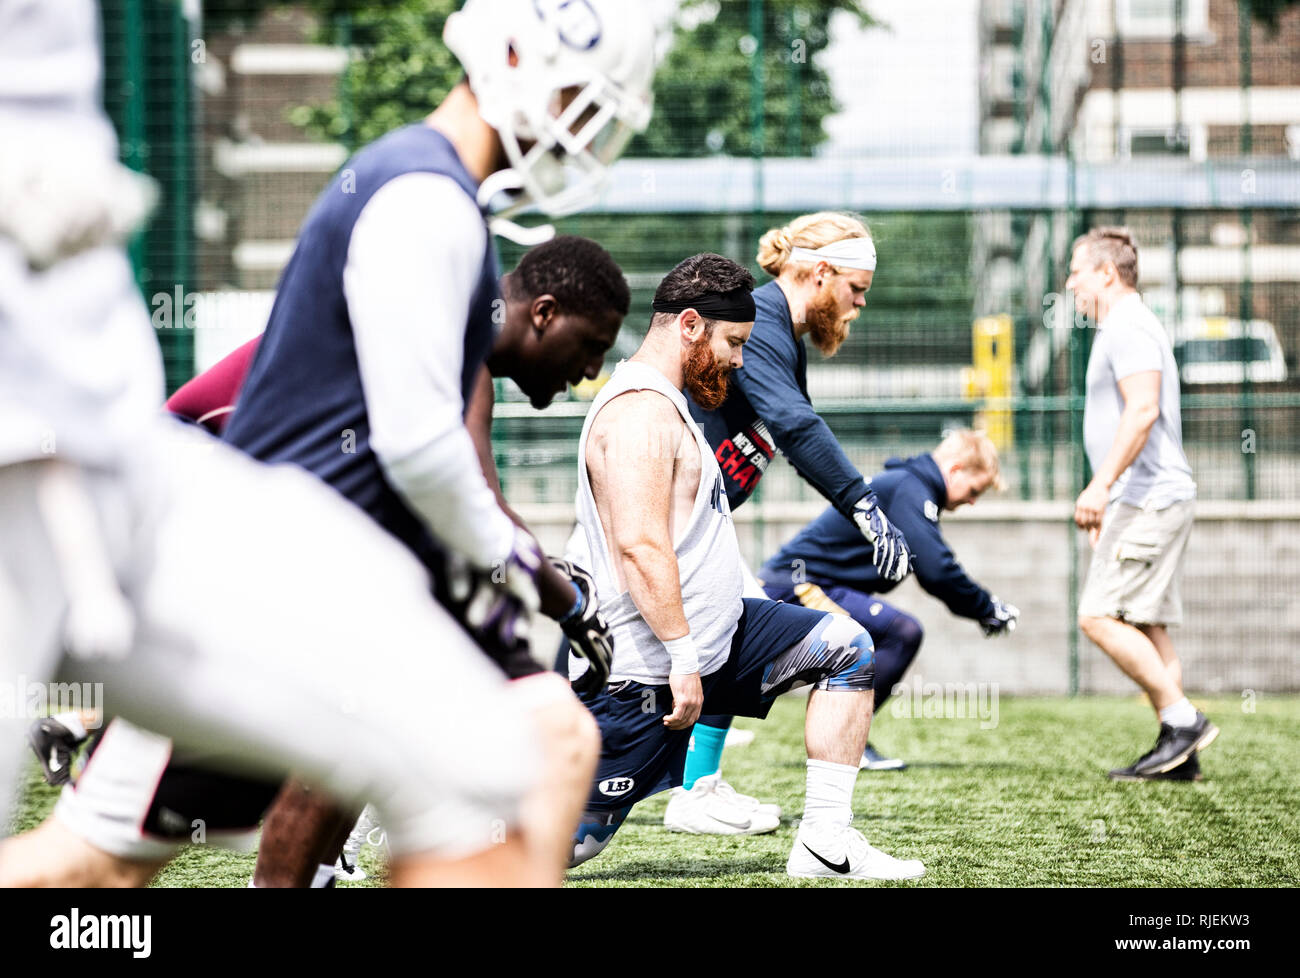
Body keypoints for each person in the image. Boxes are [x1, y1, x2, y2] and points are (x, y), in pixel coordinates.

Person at [2, 0, 657, 887]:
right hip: (244, 559)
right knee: (99, 865)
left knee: (523, 750)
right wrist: (512, 570)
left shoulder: (438, 197)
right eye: (582, 94)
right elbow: (421, 449)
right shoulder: (424, 198)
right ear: (514, 57)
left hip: (240, 539)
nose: (588, 125)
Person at [23, 236, 634, 888]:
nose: (589, 371)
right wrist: (568, 603)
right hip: (201, 539)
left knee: (366, 715)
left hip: (231, 536)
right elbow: (473, 504)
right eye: (592, 346)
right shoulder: (458, 350)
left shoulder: (446, 333)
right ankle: (88, 716)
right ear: (542, 312)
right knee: (100, 863)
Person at [568, 254, 926, 880]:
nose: (739, 360)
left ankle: (825, 844)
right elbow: (640, 549)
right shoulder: (639, 413)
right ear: (688, 326)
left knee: (848, 647)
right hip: (646, 678)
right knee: (564, 846)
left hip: (721, 643)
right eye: (732, 342)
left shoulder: (677, 404)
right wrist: (681, 659)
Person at [665, 211, 913, 831]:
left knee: (728, 630)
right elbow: (794, 424)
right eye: (855, 290)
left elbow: (790, 432)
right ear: (821, 271)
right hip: (659, 526)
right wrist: (863, 504)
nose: (859, 305)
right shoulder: (762, 318)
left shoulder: (776, 332)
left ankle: (696, 788)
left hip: (696, 526)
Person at [759, 429, 1020, 769]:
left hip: (804, 584)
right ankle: (841, 742)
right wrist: (986, 607)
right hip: (800, 585)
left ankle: (841, 739)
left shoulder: (908, 485)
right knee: (900, 632)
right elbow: (936, 569)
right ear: (955, 470)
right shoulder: (910, 488)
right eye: (975, 491)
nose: (972, 501)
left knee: (889, 634)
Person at [1067, 226, 1214, 781]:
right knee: (1146, 623)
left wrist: (1101, 487)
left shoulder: (1127, 324)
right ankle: (1180, 755)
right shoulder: (1125, 325)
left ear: (1107, 272)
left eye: (1077, 270)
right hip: (1148, 498)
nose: (1070, 282)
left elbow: (1143, 409)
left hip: (1149, 499)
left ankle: (1183, 721)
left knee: (1098, 617)